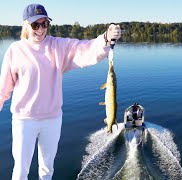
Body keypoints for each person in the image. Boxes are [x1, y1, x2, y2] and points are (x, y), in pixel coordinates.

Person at [0, 4, 121, 180]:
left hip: (52, 119)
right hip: (23, 120)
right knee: (20, 171)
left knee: (47, 169)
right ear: (26, 25)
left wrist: (105, 38)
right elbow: (3, 88)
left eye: (44, 24)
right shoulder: (15, 51)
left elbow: (85, 50)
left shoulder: (58, 46)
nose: (41, 29)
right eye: (36, 25)